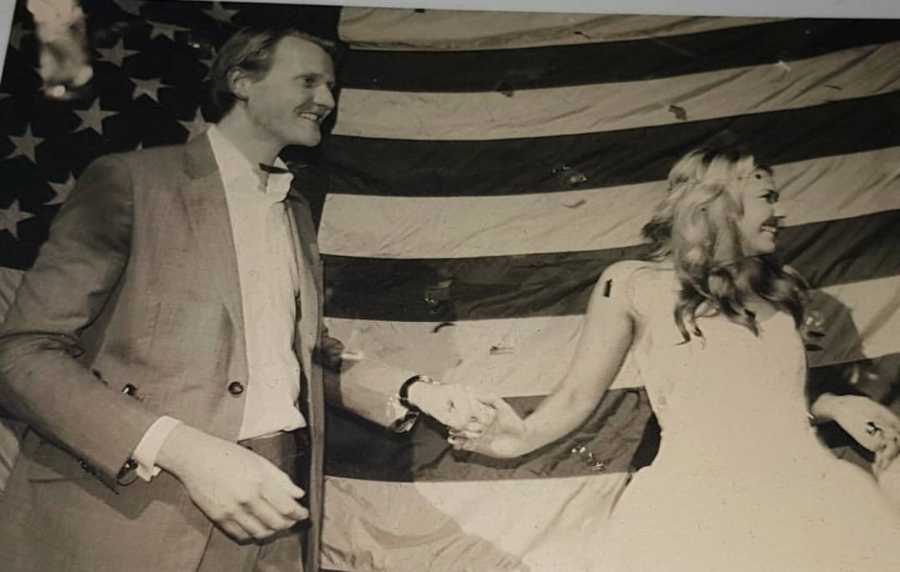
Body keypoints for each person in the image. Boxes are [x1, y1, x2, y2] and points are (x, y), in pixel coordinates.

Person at [0, 27, 491, 572]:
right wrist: (183, 450)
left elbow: (296, 354)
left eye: (330, 86)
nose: (326, 101)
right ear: (241, 82)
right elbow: (22, 355)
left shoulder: (293, 209)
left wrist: (412, 389)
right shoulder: (131, 182)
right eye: (308, 80)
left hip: (277, 505)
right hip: (133, 512)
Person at [453, 145, 900, 571]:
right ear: (717, 202)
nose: (780, 213)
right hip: (695, 504)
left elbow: (764, 399)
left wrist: (837, 405)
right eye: (767, 198)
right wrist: (517, 437)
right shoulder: (630, 283)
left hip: (807, 494)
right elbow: (575, 397)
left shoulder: (781, 288)